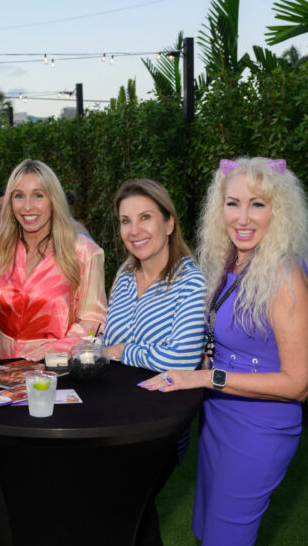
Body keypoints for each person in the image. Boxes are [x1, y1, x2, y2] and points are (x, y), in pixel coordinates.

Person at [140, 157, 308, 545]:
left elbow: (299, 383)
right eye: (233, 203)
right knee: (211, 532)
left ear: (279, 211)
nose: (243, 217)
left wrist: (207, 376)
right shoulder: (230, 261)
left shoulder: (285, 273)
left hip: (259, 429)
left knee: (227, 537)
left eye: (258, 204)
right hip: (217, 417)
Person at [102, 178, 206, 545]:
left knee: (123, 508)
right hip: (111, 414)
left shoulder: (191, 282)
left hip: (156, 424)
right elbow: (105, 341)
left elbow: (180, 359)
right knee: (121, 515)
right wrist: (107, 349)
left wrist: (118, 352)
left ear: (169, 222)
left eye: (145, 217)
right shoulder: (125, 275)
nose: (134, 230)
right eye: (125, 220)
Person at [0, 159, 107, 360]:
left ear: (53, 199)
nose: (27, 206)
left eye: (38, 195)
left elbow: (94, 322)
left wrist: (55, 351)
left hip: (55, 370)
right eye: (19, 196)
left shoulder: (83, 251)